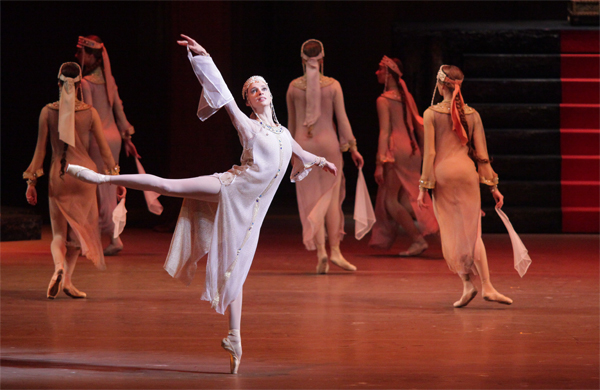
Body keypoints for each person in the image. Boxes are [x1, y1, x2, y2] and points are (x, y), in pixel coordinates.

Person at [66, 35, 337, 374]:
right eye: (253, 90)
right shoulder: (248, 126)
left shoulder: (282, 133)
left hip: (250, 216)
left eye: (263, 87)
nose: (260, 91)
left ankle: (235, 337)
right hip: (230, 188)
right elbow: (223, 96)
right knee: (169, 185)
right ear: (249, 101)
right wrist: (205, 58)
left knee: (235, 274)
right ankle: (102, 180)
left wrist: (323, 161)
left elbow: (300, 152)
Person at [417, 64, 512, 308]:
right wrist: (493, 187)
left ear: (440, 85)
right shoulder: (473, 114)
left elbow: (430, 153)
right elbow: (482, 155)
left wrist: (422, 187)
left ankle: (467, 283)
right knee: (472, 232)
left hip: (444, 176)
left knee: (452, 231)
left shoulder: (431, 114)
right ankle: (486, 286)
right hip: (467, 174)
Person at [24, 62, 120, 299]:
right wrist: (117, 179)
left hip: (60, 174)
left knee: (58, 234)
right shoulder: (90, 112)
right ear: (79, 87)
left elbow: (40, 152)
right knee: (79, 232)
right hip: (85, 175)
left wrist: (31, 182)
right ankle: (67, 279)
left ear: (58, 84)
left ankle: (59, 269)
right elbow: (106, 152)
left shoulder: (47, 112)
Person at [286, 39, 364, 274]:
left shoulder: (293, 87)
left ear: (302, 60)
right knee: (329, 198)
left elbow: (290, 124)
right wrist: (353, 148)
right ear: (322, 60)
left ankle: (321, 252)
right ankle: (336, 251)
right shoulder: (333, 86)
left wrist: (289, 153)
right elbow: (342, 120)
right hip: (328, 145)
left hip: (303, 146)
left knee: (312, 199)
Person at [75, 35, 139, 256]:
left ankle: (106, 237)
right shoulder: (108, 81)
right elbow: (119, 111)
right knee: (108, 188)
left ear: (93, 57)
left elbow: (89, 116)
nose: (77, 55)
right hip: (114, 139)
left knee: (98, 190)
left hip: (98, 140)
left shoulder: (86, 82)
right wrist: (128, 139)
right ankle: (110, 236)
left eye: (81, 52)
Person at [370, 56, 439, 256]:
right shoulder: (406, 96)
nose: (377, 72)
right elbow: (417, 124)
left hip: (396, 151)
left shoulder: (383, 100)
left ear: (389, 73)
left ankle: (418, 240)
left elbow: (385, 132)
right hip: (412, 150)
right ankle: (441, 234)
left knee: (390, 201)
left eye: (380, 69)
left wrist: (379, 163)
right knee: (409, 200)